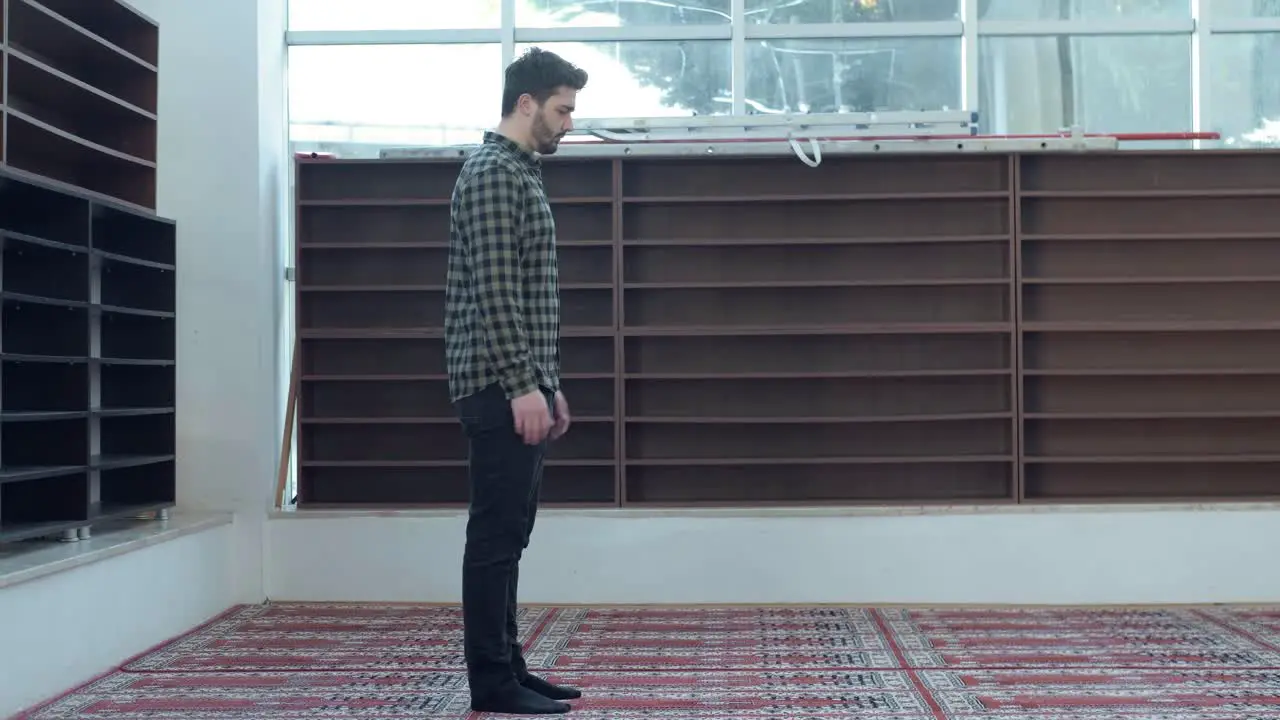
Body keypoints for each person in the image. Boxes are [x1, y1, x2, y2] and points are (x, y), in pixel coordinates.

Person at [444, 47, 588, 715]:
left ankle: (511, 669)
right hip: (498, 387)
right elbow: (498, 295)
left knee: (510, 535)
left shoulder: (519, 174)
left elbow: (531, 298)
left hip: (518, 383)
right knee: (495, 536)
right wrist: (521, 386)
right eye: (562, 110)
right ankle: (492, 682)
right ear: (526, 103)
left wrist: (546, 382)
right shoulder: (494, 175)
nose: (568, 123)